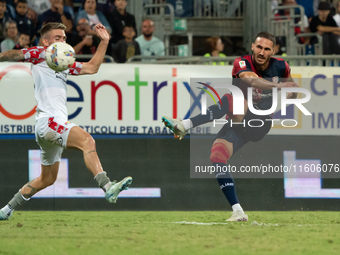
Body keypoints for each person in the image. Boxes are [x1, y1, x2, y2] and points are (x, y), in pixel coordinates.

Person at [0, 22, 132, 220]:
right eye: (58, 38)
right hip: (50, 121)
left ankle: (5, 211)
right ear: (46, 42)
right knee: (87, 141)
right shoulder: (40, 53)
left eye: (64, 38)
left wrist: (104, 41)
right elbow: (15, 55)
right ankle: (108, 186)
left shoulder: (62, 63)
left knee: (47, 178)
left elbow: (92, 67)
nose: (63, 41)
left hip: (47, 127)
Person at [162, 31, 298, 222]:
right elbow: (251, 79)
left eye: (267, 49)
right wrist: (278, 87)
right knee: (217, 155)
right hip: (239, 120)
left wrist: (292, 91)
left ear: (273, 51)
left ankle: (185, 125)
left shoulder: (282, 67)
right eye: (259, 47)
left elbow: (294, 88)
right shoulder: (241, 63)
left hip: (259, 122)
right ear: (252, 46)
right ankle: (238, 211)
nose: (261, 52)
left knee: (232, 98)